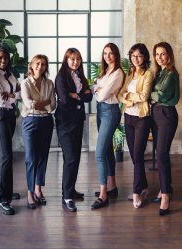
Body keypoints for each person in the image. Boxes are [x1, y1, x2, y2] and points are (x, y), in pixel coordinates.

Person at [55, 48, 93, 212]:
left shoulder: (80, 76)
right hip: (65, 122)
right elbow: (63, 97)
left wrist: (76, 95)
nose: (75, 62)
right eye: (72, 59)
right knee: (70, 158)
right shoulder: (61, 76)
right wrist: (80, 95)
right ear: (66, 60)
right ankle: (67, 198)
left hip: (78, 121)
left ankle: (69, 190)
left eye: (77, 59)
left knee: (75, 158)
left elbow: (90, 96)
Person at [118, 43, 153, 209]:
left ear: (144, 57)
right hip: (128, 117)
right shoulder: (129, 73)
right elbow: (119, 95)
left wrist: (128, 96)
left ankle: (136, 192)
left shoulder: (148, 74)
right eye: (133, 56)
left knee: (138, 155)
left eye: (139, 56)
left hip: (142, 118)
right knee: (134, 155)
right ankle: (144, 186)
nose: (135, 59)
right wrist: (129, 98)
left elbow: (144, 96)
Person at [0, 47, 21, 215]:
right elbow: (0, 98)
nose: (3, 60)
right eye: (0, 58)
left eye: (6, 58)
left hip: (10, 114)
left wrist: (11, 93)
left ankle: (3, 189)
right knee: (7, 156)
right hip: (0, 115)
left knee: (2, 154)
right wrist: (12, 93)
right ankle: (2, 199)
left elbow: (19, 94)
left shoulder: (10, 75)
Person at [91, 43, 124, 210]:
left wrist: (99, 89)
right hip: (101, 110)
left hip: (110, 112)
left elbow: (101, 94)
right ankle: (112, 187)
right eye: (105, 53)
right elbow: (94, 88)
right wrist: (98, 89)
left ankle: (103, 194)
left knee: (99, 153)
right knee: (108, 150)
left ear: (116, 55)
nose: (107, 56)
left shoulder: (118, 73)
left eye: (111, 53)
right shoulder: (104, 72)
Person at [21, 54, 56, 209]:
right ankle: (29, 193)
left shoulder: (49, 83)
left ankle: (38, 189)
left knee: (42, 156)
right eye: (37, 63)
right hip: (30, 121)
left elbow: (53, 105)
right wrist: (45, 102)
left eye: (43, 64)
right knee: (31, 158)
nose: (40, 66)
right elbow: (29, 104)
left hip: (46, 121)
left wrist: (43, 103)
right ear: (32, 65)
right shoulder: (25, 83)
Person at [150, 42, 179, 216]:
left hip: (167, 115)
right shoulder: (159, 73)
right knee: (161, 154)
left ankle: (166, 197)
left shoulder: (171, 74)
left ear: (169, 55)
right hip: (156, 114)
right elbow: (154, 94)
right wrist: (152, 97)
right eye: (157, 54)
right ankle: (165, 187)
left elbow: (161, 95)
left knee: (161, 154)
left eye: (163, 54)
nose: (160, 57)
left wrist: (150, 95)